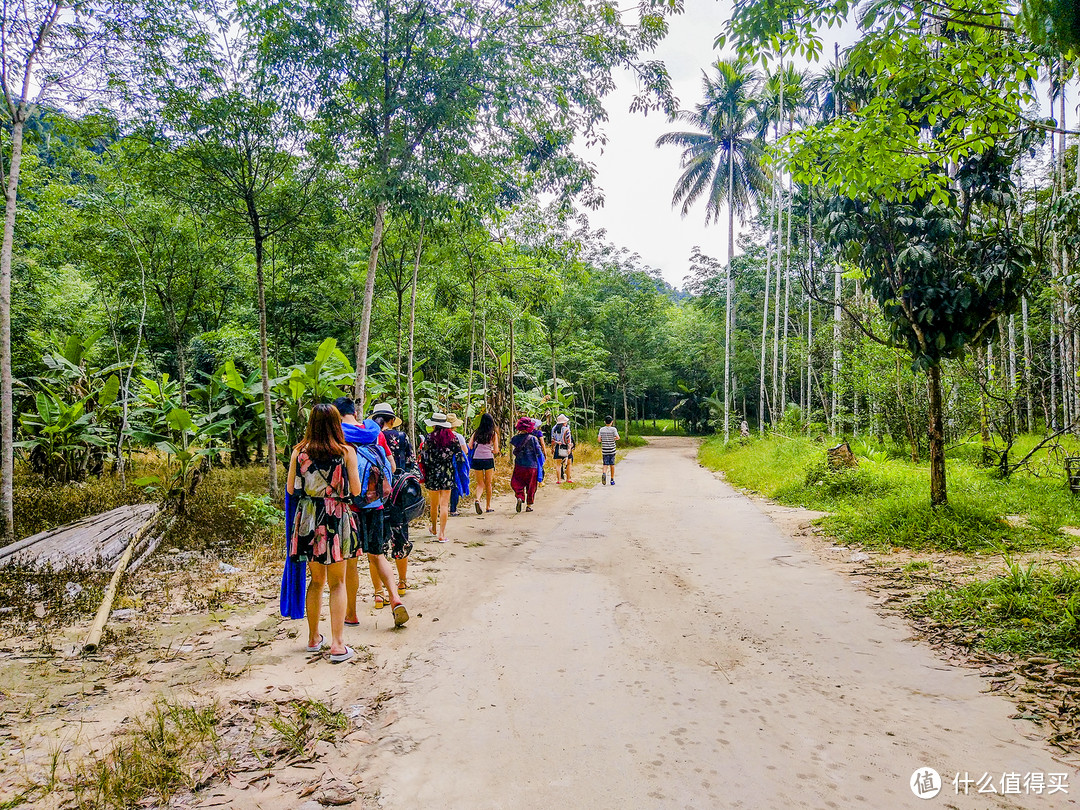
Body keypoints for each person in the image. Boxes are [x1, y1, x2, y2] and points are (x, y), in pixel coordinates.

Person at [287, 405, 406, 665]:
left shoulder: (299, 452)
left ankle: (312, 638)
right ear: (336, 424)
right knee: (337, 582)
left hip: (308, 517)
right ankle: (338, 644)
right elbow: (355, 489)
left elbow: (291, 488)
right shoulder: (346, 452)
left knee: (316, 581)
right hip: (337, 516)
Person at [334, 397, 396, 615]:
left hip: (351, 507)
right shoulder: (375, 432)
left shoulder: (337, 436)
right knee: (377, 555)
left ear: (336, 414)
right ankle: (394, 597)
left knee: (351, 561)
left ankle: (351, 613)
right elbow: (392, 466)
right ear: (355, 413)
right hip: (376, 503)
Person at [370, 402, 415, 596]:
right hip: (397, 496)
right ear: (391, 420)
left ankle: (379, 592)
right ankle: (402, 584)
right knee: (400, 539)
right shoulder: (401, 437)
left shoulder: (368, 437)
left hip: (374, 498)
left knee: (376, 547)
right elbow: (412, 465)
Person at [420, 413, 457, 542]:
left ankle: (434, 528)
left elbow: (424, 456)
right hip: (447, 473)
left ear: (434, 425)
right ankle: (442, 534)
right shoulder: (453, 438)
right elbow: (458, 456)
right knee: (444, 504)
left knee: (434, 504)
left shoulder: (429, 438)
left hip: (432, 474)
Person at [510, 416, 543, 512]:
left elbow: (514, 449)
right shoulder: (533, 439)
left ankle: (520, 497)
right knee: (531, 486)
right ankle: (529, 505)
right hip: (532, 466)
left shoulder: (515, 438)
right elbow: (538, 452)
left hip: (519, 465)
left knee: (517, 482)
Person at [470, 412, 499, 513]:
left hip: (477, 458)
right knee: (488, 483)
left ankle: (477, 499)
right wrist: (490, 450)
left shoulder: (476, 432)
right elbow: (496, 450)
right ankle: (488, 506)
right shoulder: (493, 434)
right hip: (488, 459)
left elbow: (470, 446)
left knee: (480, 483)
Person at [446, 414, 470, 516]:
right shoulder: (458, 437)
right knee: (455, 484)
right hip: (456, 464)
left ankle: (442, 508)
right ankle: (453, 509)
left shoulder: (440, 435)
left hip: (442, 463)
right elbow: (465, 450)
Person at [551, 414, 574, 484]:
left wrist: (552, 448)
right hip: (565, 446)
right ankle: (568, 478)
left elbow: (552, 439)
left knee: (558, 464)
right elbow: (568, 439)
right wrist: (569, 448)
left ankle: (558, 480)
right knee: (569, 463)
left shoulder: (554, 429)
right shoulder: (566, 429)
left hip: (558, 447)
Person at [598, 415, 620, 486]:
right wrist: (613, 439)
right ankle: (612, 479)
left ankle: (604, 473)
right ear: (612, 422)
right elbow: (618, 437)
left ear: (604, 422)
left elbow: (599, 440)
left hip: (604, 449)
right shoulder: (613, 429)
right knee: (612, 464)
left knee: (605, 464)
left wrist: (603, 439)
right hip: (612, 449)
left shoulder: (601, 429)